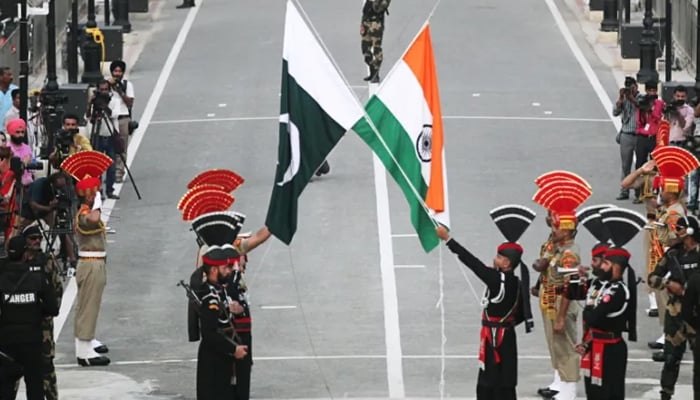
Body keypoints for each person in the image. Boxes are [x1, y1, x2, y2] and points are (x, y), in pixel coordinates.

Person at [436, 204, 535, 400]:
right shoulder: (518, 282)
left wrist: (448, 239)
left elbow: (471, 262)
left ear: (507, 263)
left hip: (494, 337)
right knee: (506, 379)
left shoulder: (496, 280)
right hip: (508, 337)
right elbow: (523, 314)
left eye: (499, 257)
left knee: (488, 381)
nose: (495, 258)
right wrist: (506, 324)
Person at [531, 171, 593, 400]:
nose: (553, 228)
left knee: (565, 343)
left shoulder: (569, 254)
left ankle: (569, 388)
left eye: (557, 226)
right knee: (553, 343)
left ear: (567, 229)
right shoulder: (555, 244)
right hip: (549, 297)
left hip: (561, 301)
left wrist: (560, 316)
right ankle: (558, 381)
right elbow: (544, 265)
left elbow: (570, 288)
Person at [577, 207, 643, 400]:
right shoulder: (599, 284)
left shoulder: (618, 291)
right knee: (593, 392)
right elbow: (574, 294)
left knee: (609, 393)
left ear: (615, 267)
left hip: (610, 349)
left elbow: (594, 316)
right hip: (594, 343)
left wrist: (589, 310)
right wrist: (575, 279)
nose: (601, 266)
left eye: (605, 263)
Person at [59, 151, 113, 366]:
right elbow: (93, 219)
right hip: (90, 264)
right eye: (96, 191)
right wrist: (97, 204)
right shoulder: (84, 213)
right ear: (90, 195)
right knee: (87, 306)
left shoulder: (85, 209)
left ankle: (88, 341)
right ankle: (83, 352)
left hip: (95, 263)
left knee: (92, 304)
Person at [646, 145, 698, 359]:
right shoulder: (668, 209)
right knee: (663, 299)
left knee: (670, 300)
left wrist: (665, 238)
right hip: (662, 253)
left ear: (671, 191)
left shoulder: (675, 212)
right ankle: (665, 336)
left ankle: (672, 341)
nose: (660, 192)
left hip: (670, 258)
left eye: (663, 189)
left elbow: (678, 236)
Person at [0, 236, 59, 400]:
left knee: (4, 387)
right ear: (25, 254)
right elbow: (53, 309)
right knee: (34, 387)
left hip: (6, 342)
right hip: (31, 341)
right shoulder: (36, 277)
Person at [649, 215, 700, 400]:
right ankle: (666, 394)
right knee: (671, 359)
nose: (675, 232)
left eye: (679, 228)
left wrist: (688, 290)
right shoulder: (673, 254)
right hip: (675, 313)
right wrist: (668, 283)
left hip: (696, 314)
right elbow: (653, 278)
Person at [196, 246, 248, 400]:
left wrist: (237, 310)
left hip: (223, 361)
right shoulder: (209, 298)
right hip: (213, 364)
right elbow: (209, 333)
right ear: (213, 270)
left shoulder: (220, 291)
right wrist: (233, 349)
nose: (229, 271)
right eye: (225, 268)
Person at [22, 222, 63, 400]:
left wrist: (49, 310)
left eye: (39, 238)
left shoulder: (46, 260)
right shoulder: (16, 262)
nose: (37, 241)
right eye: (33, 238)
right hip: (22, 322)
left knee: (46, 365)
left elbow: (57, 288)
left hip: (43, 323)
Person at [107, 60, 135, 183]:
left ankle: (119, 172)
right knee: (109, 147)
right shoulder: (106, 84)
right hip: (110, 118)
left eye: (120, 71)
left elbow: (130, 103)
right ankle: (110, 173)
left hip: (123, 118)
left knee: (121, 147)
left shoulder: (127, 85)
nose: (117, 74)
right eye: (115, 71)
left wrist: (120, 91)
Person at [614, 77, 640, 201]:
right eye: (628, 86)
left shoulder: (641, 97)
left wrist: (632, 98)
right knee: (626, 165)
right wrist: (621, 98)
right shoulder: (624, 98)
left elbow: (642, 107)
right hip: (626, 134)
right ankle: (624, 191)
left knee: (640, 165)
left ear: (637, 86)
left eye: (632, 86)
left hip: (640, 135)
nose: (630, 89)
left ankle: (638, 193)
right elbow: (615, 112)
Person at [361, 0, 390, 83]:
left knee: (377, 49)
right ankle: (372, 71)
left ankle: (376, 73)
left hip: (376, 24)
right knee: (365, 48)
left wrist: (374, 2)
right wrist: (363, 23)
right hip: (366, 22)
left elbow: (380, 7)